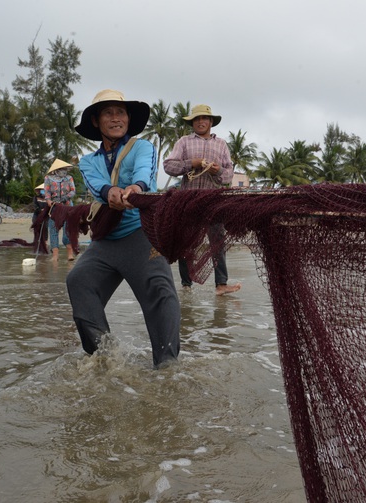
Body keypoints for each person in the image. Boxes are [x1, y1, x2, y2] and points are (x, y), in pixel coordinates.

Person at [67, 89, 180, 369]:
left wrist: (136, 189)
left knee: (161, 292)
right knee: (78, 281)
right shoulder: (87, 161)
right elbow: (96, 185)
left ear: (129, 118)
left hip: (142, 236)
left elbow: (145, 172)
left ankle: (167, 368)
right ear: (96, 121)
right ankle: (105, 357)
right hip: (105, 241)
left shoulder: (143, 147)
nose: (116, 118)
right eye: (108, 113)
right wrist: (111, 192)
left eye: (121, 112)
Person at [163, 104, 241, 296]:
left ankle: (221, 284)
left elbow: (229, 175)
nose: (200, 122)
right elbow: (169, 166)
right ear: (192, 123)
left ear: (211, 122)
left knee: (217, 241)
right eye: (196, 119)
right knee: (186, 243)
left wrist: (218, 170)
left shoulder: (221, 144)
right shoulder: (184, 142)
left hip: (212, 201)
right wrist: (193, 163)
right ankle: (186, 285)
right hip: (188, 200)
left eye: (204, 119)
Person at [44, 159, 76, 261]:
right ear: (56, 170)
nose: (64, 171)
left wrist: (66, 197)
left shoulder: (69, 178)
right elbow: (47, 191)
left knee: (67, 230)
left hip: (67, 207)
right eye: (62, 169)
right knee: (53, 230)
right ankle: (55, 256)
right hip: (54, 208)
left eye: (65, 169)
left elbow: (73, 191)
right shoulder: (48, 178)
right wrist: (49, 201)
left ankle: (70, 254)